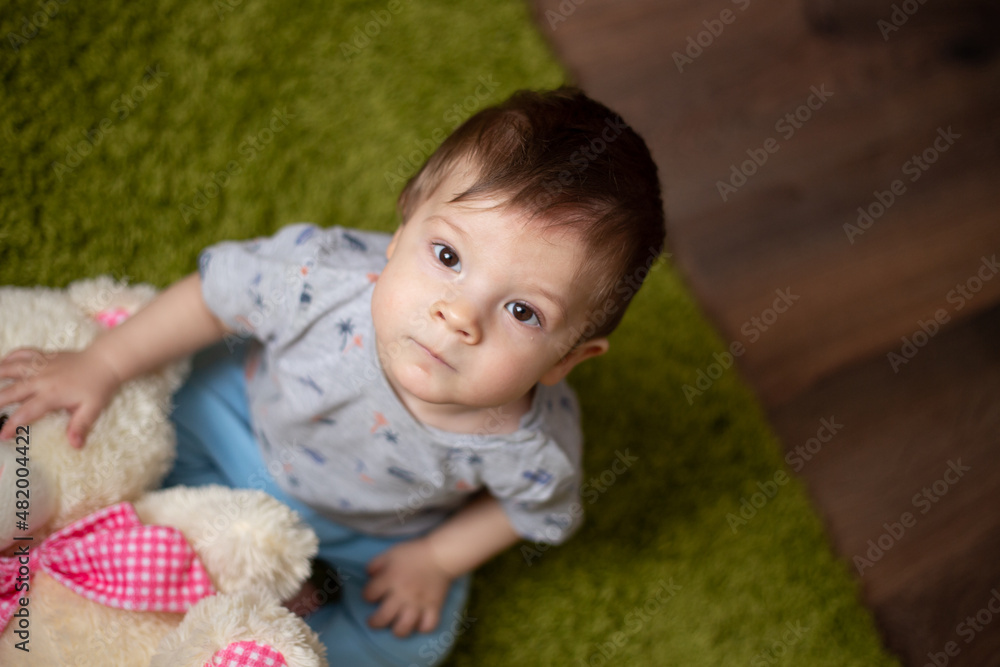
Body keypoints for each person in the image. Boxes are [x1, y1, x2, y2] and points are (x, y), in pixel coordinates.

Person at [0, 87, 665, 665]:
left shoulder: (529, 441)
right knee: (108, 443)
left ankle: (252, 645)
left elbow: (533, 509)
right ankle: (73, 561)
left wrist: (437, 559)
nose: (458, 314)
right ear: (404, 222)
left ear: (567, 359)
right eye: (447, 254)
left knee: (409, 639)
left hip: (368, 530)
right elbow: (215, 294)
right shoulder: (322, 277)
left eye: (523, 310)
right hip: (236, 422)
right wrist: (106, 362)